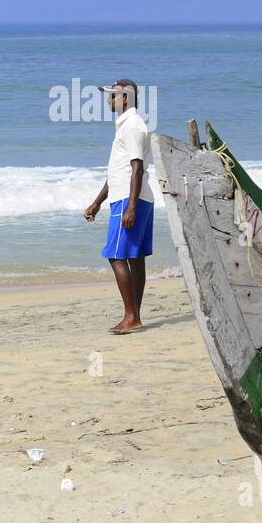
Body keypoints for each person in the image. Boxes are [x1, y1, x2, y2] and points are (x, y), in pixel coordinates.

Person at [83, 79, 154, 334]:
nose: (108, 100)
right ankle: (134, 316)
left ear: (125, 98)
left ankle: (131, 317)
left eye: (112, 96)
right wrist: (97, 202)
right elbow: (118, 171)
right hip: (132, 196)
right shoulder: (127, 125)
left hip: (129, 198)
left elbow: (137, 167)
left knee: (115, 255)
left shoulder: (132, 125)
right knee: (135, 258)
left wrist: (131, 207)